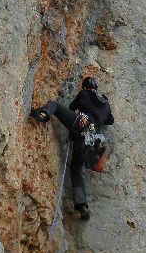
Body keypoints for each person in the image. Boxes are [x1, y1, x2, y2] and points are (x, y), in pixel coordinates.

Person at [30, 76, 114, 221]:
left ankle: (43, 114)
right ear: (97, 88)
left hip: (80, 124)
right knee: (76, 170)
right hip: (93, 137)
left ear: (84, 87)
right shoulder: (106, 104)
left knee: (54, 105)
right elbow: (110, 121)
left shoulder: (84, 94)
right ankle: (82, 206)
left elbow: (70, 108)